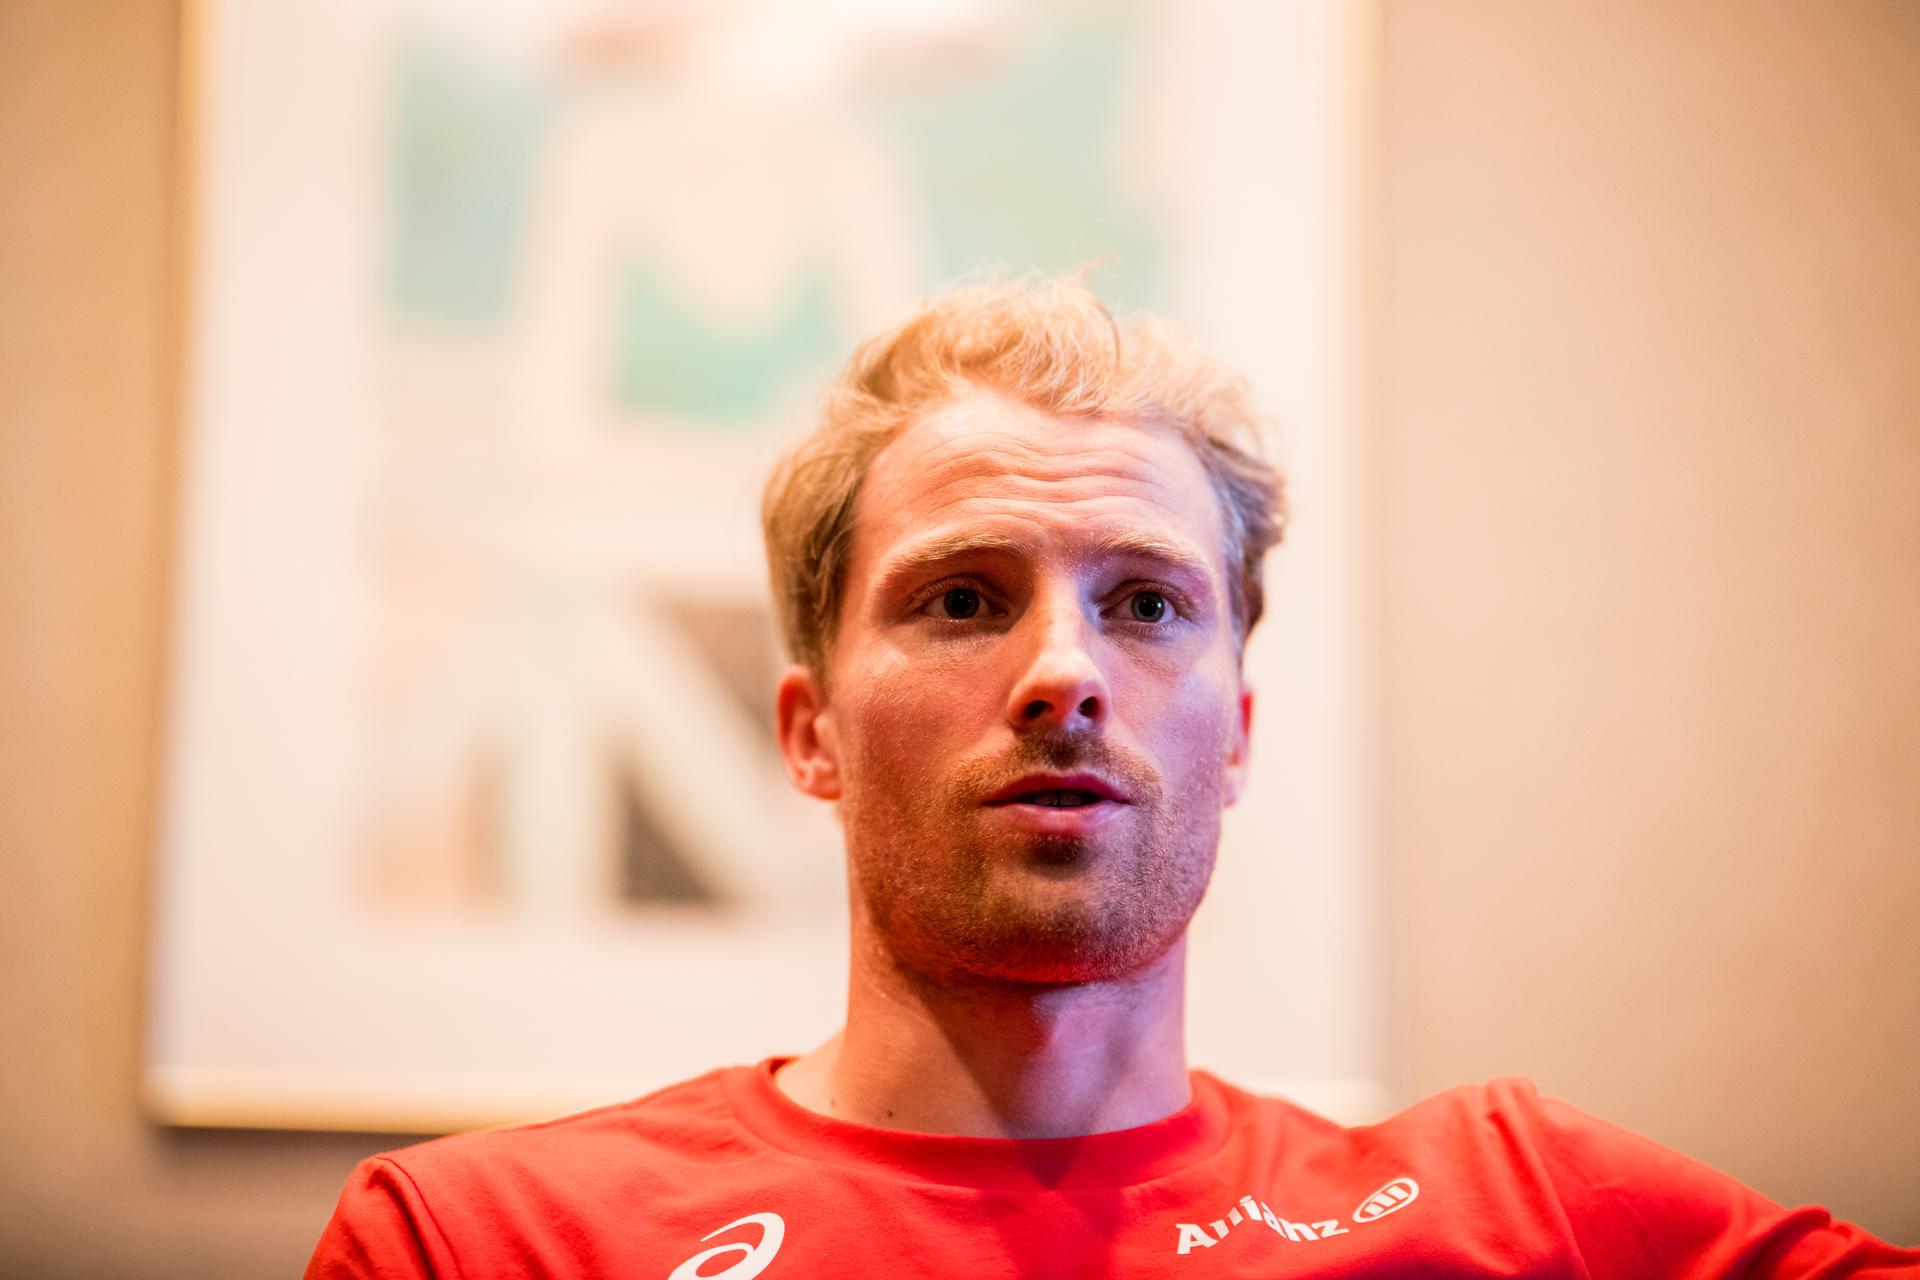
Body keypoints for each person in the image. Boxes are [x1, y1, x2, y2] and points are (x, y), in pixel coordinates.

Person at [307, 278, 1917, 1278]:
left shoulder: (1533, 1207)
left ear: (1241, 733)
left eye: (1146, 603)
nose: (1064, 671)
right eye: (961, 599)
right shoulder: (487, 1246)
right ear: (809, 731)